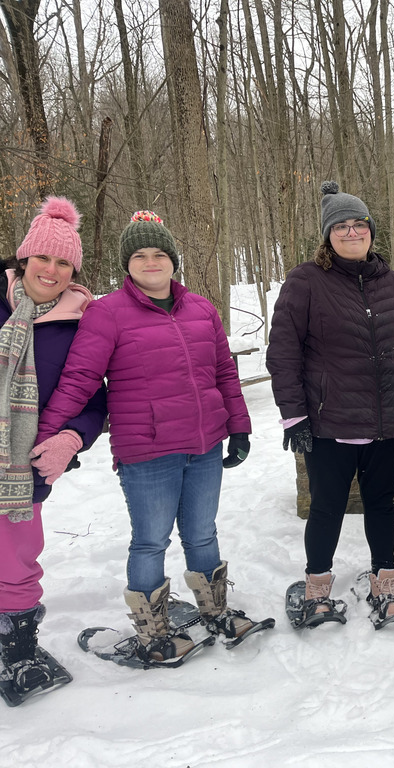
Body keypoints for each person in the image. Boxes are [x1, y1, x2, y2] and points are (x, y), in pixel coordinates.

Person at [34, 210, 259, 664]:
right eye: (140, 254)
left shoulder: (202, 309)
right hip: (147, 449)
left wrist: (239, 426)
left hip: (204, 444)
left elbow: (223, 374)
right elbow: (79, 379)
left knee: (201, 533)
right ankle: (152, 630)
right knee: (151, 539)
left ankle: (214, 610)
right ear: (127, 264)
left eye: (159, 253)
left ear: (173, 260)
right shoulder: (106, 314)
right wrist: (47, 436)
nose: (151, 262)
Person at [266, 182, 394, 627]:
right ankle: (316, 590)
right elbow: (282, 352)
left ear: (370, 230)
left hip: (385, 422)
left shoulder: (393, 284)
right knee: (327, 507)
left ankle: (385, 588)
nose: (350, 232)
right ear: (327, 236)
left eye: (358, 223)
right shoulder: (306, 281)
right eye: (340, 226)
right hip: (329, 423)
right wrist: (294, 416)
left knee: (382, 505)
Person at [0, 197, 106, 702]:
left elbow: (96, 398)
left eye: (64, 263)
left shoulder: (83, 320)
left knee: (18, 557)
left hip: (24, 464)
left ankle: (17, 649)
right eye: (44, 258)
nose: (52, 270)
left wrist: (71, 437)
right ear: (23, 258)